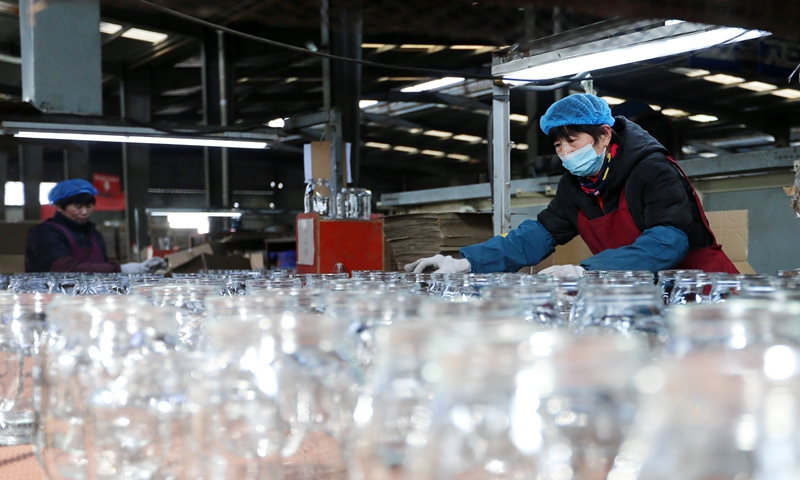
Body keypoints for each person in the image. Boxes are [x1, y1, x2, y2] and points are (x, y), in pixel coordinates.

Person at [405, 94, 738, 276]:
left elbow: (667, 243)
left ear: (604, 135)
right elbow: (535, 236)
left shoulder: (652, 171)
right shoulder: (578, 186)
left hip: (703, 290)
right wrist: (466, 262)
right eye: (558, 146)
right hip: (647, 293)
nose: (565, 153)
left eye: (572, 141)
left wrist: (586, 272)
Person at [25, 179, 166, 274]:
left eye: (89, 206)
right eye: (78, 207)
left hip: (90, 301)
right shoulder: (45, 234)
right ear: (60, 207)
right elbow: (64, 268)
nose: (85, 212)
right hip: (52, 302)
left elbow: (101, 265)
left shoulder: (92, 234)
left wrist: (141, 267)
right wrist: (120, 269)